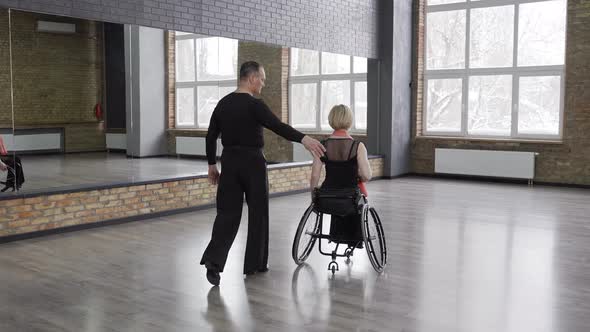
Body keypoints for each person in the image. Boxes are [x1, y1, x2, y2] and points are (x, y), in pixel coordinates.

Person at [200, 61, 325, 286]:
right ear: (252, 78)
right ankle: (255, 264)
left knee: (226, 214)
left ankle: (213, 263)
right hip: (253, 163)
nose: (264, 84)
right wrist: (304, 139)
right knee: (259, 213)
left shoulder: (223, 104)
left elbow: (210, 136)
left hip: (229, 162)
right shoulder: (255, 105)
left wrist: (212, 165)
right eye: (263, 79)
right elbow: (278, 126)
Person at [309, 104, 372, 248]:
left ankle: (337, 236)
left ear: (331, 120)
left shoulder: (322, 145)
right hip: (350, 199)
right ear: (350, 121)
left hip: (326, 198)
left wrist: (313, 196)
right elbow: (367, 176)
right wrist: (359, 177)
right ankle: (353, 240)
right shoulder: (358, 146)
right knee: (358, 199)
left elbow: (314, 176)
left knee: (338, 200)